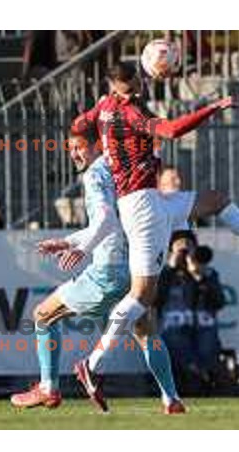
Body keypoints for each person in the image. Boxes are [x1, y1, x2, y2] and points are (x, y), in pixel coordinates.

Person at [70, 62, 239, 408]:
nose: (136, 91)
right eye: (130, 88)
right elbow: (173, 131)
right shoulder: (128, 113)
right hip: (141, 207)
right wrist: (213, 107)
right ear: (119, 89)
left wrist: (85, 134)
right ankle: (92, 364)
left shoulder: (105, 104)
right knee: (142, 295)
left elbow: (79, 123)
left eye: (136, 85)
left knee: (218, 201)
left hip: (155, 199)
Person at [10, 133, 183, 414]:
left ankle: (48, 388)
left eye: (79, 147)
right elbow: (114, 223)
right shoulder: (125, 169)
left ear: (97, 146)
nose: (74, 154)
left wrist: (82, 248)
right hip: (136, 267)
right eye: (70, 149)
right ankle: (171, 399)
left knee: (43, 315)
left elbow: (105, 221)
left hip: (108, 271)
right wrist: (69, 241)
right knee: (144, 330)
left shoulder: (96, 174)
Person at [156, 230, 226, 388]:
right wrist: (171, 268)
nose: (185, 251)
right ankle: (197, 375)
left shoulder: (208, 273)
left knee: (207, 347)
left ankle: (202, 376)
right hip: (173, 326)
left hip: (204, 326)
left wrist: (200, 277)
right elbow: (155, 300)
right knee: (176, 343)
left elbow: (219, 302)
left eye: (189, 246)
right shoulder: (163, 273)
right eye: (180, 247)